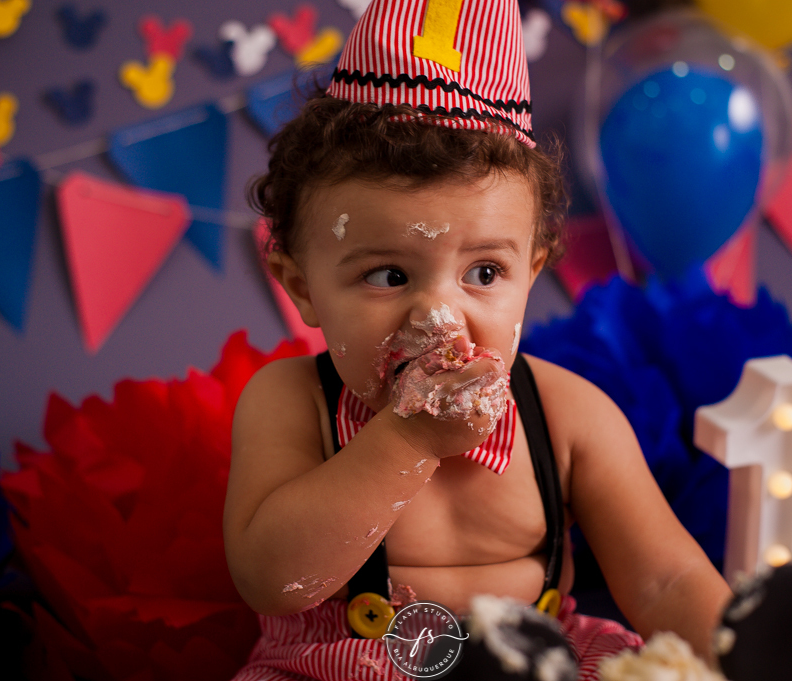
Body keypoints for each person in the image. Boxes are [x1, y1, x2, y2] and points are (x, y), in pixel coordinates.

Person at [224, 0, 731, 678]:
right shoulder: (292, 400)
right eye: (388, 275)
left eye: (484, 273)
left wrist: (744, 654)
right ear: (302, 286)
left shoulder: (568, 415)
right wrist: (406, 440)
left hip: (537, 661)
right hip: (346, 662)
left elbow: (664, 579)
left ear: (533, 271)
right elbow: (273, 578)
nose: (438, 315)